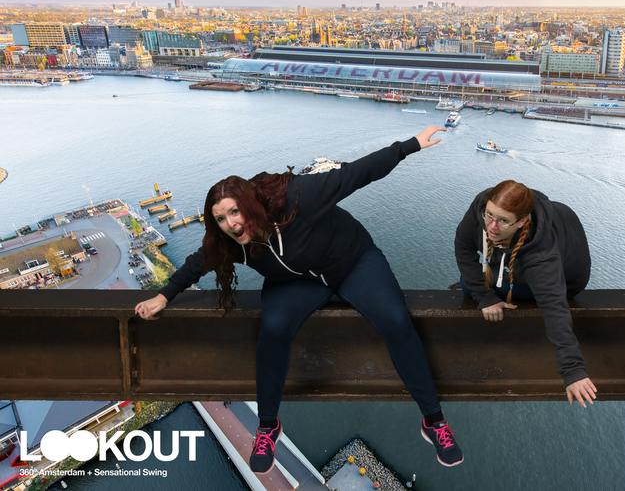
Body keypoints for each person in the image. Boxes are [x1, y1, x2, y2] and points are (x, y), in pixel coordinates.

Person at [135, 126, 463, 472]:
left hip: (352, 262)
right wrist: (163, 296)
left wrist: (410, 145)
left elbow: (355, 174)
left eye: (234, 212)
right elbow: (198, 262)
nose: (231, 224)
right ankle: (268, 426)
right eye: (220, 218)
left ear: (249, 204)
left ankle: (434, 421)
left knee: (397, 321)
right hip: (294, 283)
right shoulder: (230, 243)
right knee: (273, 329)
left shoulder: (296, 198)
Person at [454, 180, 597, 407]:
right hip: (555, 242)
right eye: (489, 215)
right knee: (478, 280)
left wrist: (572, 370)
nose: (491, 226)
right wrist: (486, 296)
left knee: (467, 283)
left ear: (523, 221)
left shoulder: (541, 258)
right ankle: (495, 273)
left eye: (503, 220)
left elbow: (554, 307)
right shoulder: (482, 205)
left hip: (566, 281)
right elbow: (463, 245)